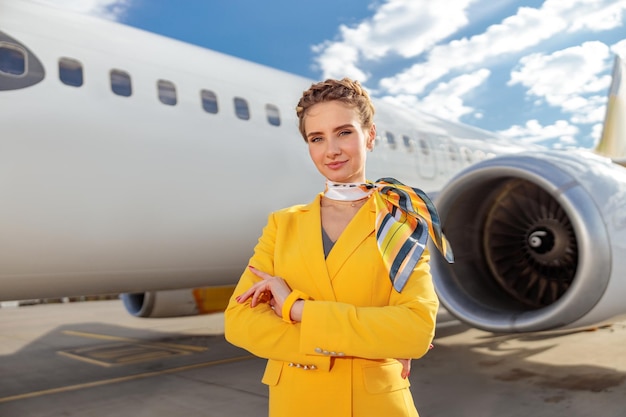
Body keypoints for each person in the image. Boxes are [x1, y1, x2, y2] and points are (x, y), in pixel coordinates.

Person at [224, 78, 453, 417]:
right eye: (317, 138)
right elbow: (240, 323)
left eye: (344, 132)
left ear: (370, 136)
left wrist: (297, 310)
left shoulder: (399, 223)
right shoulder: (282, 225)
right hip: (296, 404)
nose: (331, 149)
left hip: (376, 406)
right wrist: (369, 341)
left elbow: (416, 330)